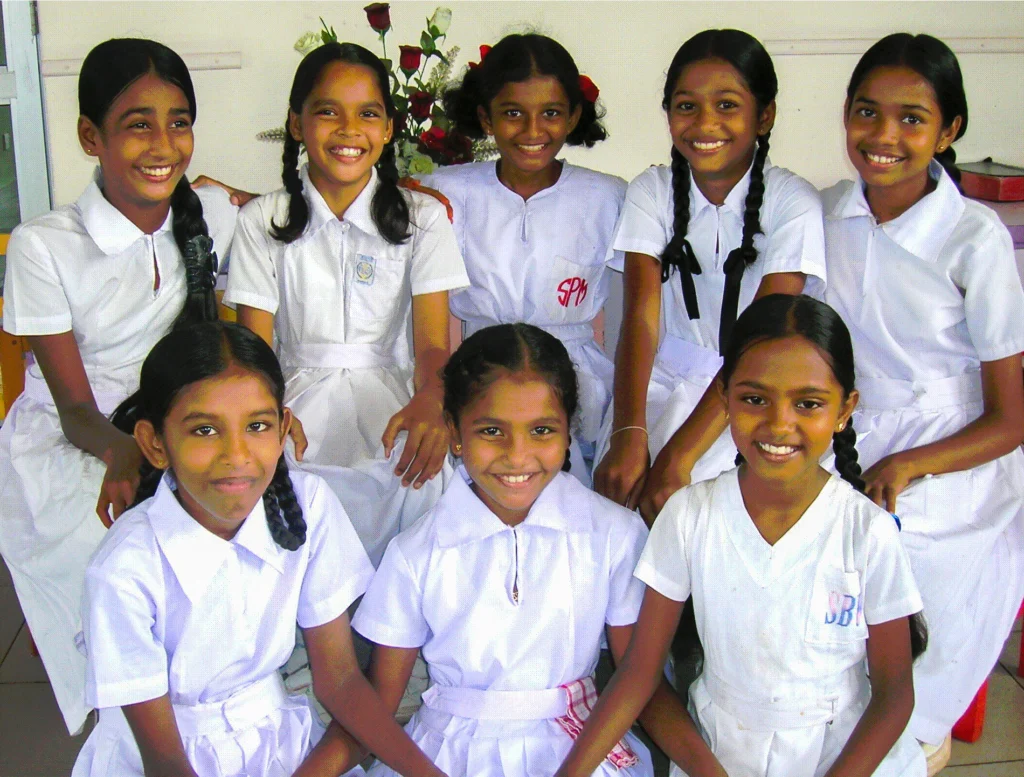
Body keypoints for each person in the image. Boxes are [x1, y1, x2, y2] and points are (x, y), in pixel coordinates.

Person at [558, 294, 928, 777]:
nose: (779, 424)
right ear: (725, 398)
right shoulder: (689, 515)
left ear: (845, 410)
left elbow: (895, 694)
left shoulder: (866, 530)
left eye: (808, 404)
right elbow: (640, 675)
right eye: (755, 399)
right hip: (720, 755)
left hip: (845, 757)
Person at [71, 321, 447, 777]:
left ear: (284, 427)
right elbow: (164, 762)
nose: (236, 454)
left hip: (280, 745)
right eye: (204, 430)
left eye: (257, 426)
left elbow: (342, 684)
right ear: (154, 443)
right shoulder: (123, 569)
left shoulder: (307, 506)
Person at [0, 38, 236, 734]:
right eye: (138, 124)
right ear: (89, 137)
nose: (164, 144)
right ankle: (125, 700)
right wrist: (124, 451)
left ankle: (218, 677)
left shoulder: (209, 211)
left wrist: (403, 189)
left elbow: (296, 203)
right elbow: (74, 406)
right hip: (83, 433)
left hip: (175, 413)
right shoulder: (45, 245)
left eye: (179, 122)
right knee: (107, 535)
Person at [343, 323, 664, 776]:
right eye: (492, 430)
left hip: (580, 753)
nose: (517, 455)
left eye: (541, 430)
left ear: (568, 432)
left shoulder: (613, 534)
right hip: (446, 756)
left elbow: (639, 678)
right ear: (455, 433)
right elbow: (377, 705)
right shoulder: (416, 552)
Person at [823, 33, 1024, 751]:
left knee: (916, 598)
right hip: (842, 434)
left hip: (949, 452)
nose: (884, 136)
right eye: (867, 112)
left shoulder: (973, 237)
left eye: (911, 119)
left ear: (948, 131)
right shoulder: (826, 214)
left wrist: (910, 464)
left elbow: (1011, 418)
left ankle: (913, 744)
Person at [224, 41, 469, 568]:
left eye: (368, 114)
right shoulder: (262, 220)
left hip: (394, 393)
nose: (348, 129)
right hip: (290, 398)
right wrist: (270, 414)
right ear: (297, 124)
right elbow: (253, 351)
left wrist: (432, 398)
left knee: (418, 466)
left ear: (388, 129)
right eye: (328, 112)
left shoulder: (422, 218)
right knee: (280, 472)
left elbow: (432, 344)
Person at [593, 29, 825, 522]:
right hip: (658, 388)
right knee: (623, 512)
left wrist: (678, 457)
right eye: (686, 106)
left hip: (753, 396)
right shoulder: (652, 191)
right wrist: (629, 433)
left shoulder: (793, 202)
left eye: (727, 105)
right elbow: (640, 320)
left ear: (765, 115)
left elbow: (760, 342)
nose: (704, 123)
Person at [417, 34, 626, 484]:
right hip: (478, 375)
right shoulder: (446, 191)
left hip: (576, 384)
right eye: (513, 113)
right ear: (486, 118)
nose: (533, 131)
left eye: (550, 113)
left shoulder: (607, 196)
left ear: (573, 116)